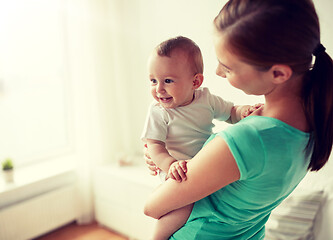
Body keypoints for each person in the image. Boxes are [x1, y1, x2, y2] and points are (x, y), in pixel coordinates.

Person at [144, 0, 333, 239]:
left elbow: (152, 207)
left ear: (278, 73)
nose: (218, 73)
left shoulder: (248, 139)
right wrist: (162, 153)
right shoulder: (312, 124)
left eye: (228, 67)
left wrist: (169, 162)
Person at [141, 36, 257, 240]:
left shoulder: (206, 99)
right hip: (177, 170)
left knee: (206, 197)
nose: (158, 89)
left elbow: (231, 112)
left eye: (167, 81)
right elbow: (154, 146)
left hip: (203, 165)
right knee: (183, 207)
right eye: (153, 80)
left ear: (195, 81)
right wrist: (171, 165)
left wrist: (244, 111)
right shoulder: (159, 111)